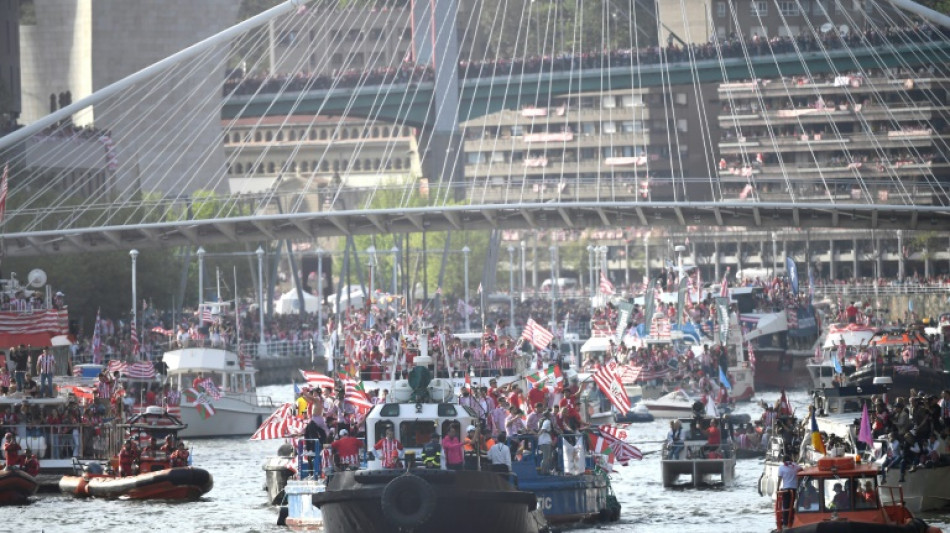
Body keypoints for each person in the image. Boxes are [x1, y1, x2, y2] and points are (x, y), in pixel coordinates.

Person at [777, 455, 802, 528]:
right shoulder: (795, 466)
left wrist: (777, 488)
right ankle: (792, 519)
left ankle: (785, 522)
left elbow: (779, 479)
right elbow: (802, 469)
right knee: (793, 504)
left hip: (786, 489)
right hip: (794, 489)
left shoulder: (781, 468)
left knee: (785, 506)